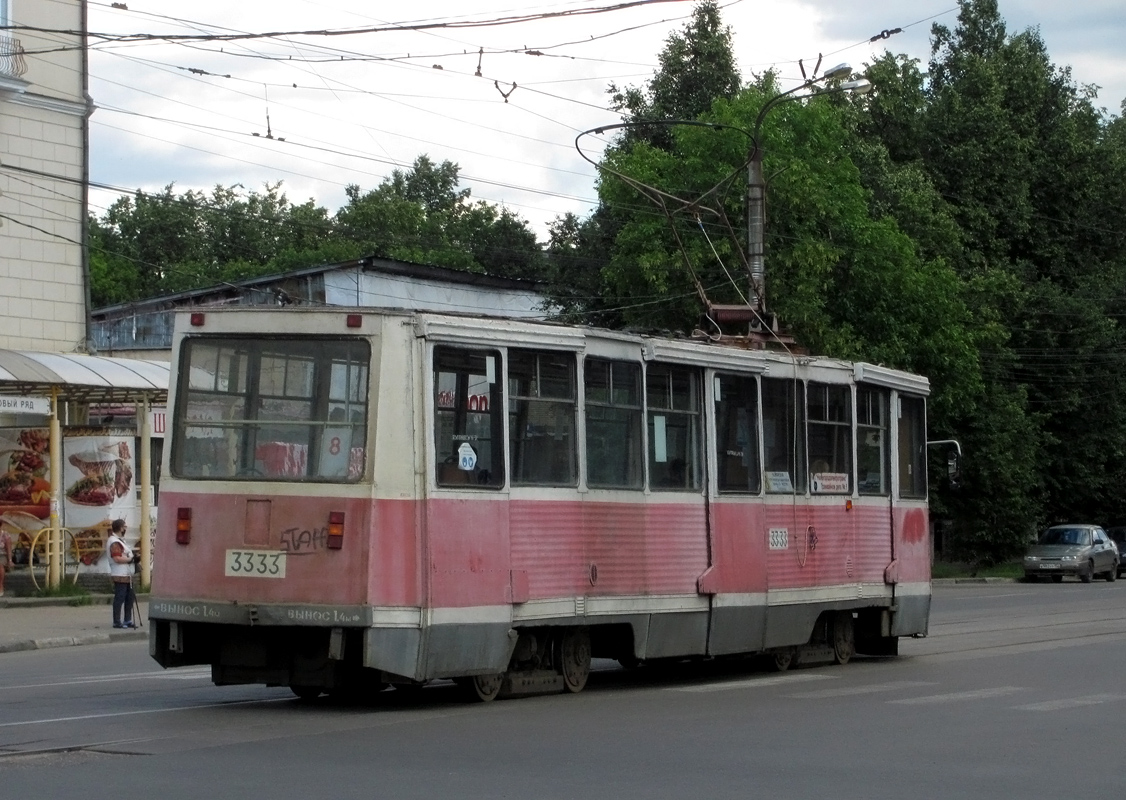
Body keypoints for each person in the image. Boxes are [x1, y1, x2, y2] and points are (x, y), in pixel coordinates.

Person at [106, 518, 136, 628]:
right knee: (120, 597)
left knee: (129, 597)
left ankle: (127, 620)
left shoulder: (120, 540)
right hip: (119, 574)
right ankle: (117, 621)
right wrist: (130, 560)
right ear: (120, 528)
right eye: (124, 527)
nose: (125, 529)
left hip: (126, 573)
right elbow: (117, 558)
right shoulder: (114, 542)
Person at [0, 528, 11, 597]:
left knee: (0, 565)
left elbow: (8, 549)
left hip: (2, 555)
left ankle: (0, 586)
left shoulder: (5, 535)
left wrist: (10, 560)